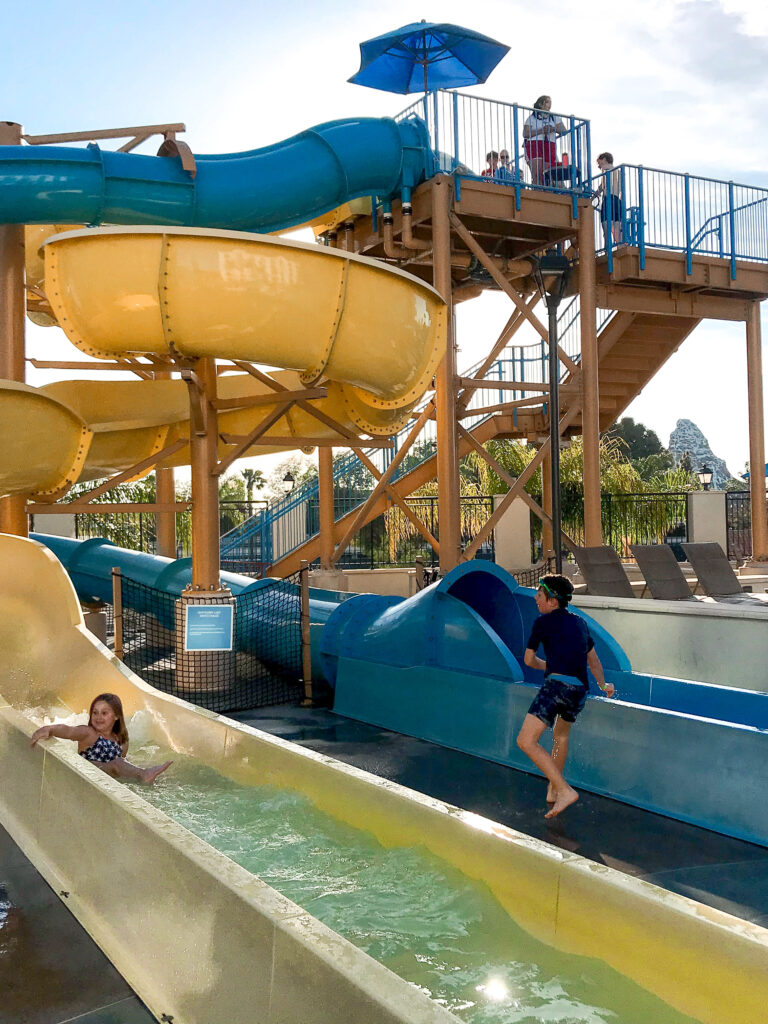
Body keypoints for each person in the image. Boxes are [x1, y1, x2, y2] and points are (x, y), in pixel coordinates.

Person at [516, 575, 615, 818]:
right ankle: (553, 791)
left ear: (552, 601)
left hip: (557, 687)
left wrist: (547, 666)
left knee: (526, 741)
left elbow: (529, 660)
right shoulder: (580, 623)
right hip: (579, 690)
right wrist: (604, 685)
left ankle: (563, 789)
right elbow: (594, 661)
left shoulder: (543, 622)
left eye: (540, 595)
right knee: (560, 736)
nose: (536, 599)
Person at [30, 693, 171, 784]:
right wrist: (49, 729)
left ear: (116, 717)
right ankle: (143, 774)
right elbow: (68, 731)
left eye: (104, 713)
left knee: (123, 762)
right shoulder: (89, 733)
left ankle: (145, 773)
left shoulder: (122, 740)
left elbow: (123, 759)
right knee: (116, 763)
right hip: (88, 774)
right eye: (95, 713)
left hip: (109, 779)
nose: (98, 717)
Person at [523, 96, 566, 185]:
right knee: (537, 173)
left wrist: (553, 129)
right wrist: (542, 130)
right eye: (547, 102)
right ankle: (537, 193)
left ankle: (547, 193)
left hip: (549, 144)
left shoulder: (554, 117)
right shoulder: (532, 118)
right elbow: (525, 133)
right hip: (534, 144)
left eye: (550, 102)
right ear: (540, 104)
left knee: (547, 174)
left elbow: (564, 130)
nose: (549, 104)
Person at [595, 152, 624, 246]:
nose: (599, 166)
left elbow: (603, 184)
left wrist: (594, 197)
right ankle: (620, 248)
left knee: (606, 229)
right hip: (617, 201)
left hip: (608, 200)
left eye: (599, 163)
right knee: (617, 230)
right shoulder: (619, 172)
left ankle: (608, 252)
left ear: (604, 159)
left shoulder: (606, 169)